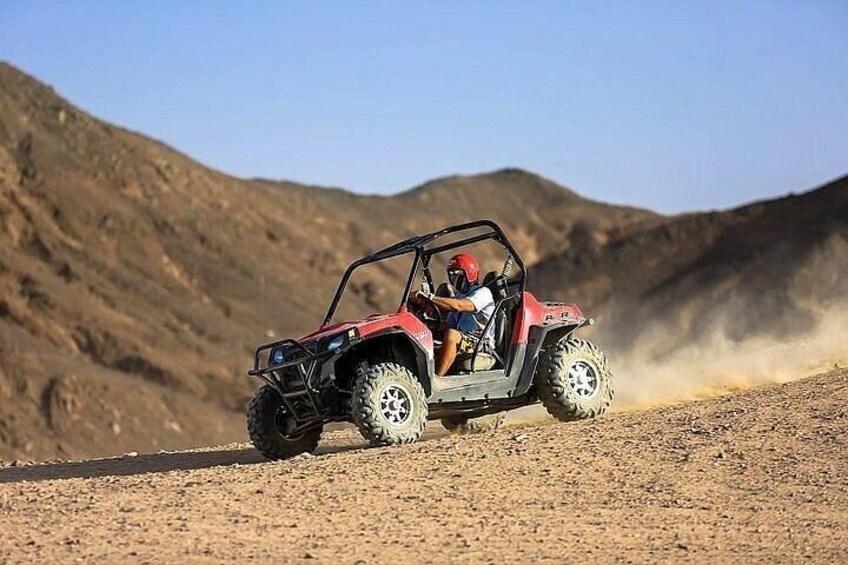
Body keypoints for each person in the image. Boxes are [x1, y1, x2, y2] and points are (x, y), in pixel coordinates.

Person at [415, 252, 495, 376]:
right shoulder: (458, 296)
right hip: (464, 339)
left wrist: (431, 297)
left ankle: (437, 379)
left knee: (451, 335)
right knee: (426, 333)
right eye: (451, 275)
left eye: (458, 274)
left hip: (480, 342)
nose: (454, 279)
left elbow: (459, 306)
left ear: (470, 273)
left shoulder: (483, 293)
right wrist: (426, 326)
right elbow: (449, 324)